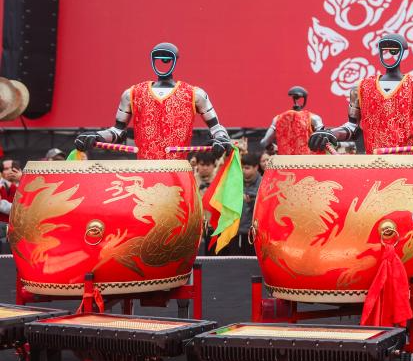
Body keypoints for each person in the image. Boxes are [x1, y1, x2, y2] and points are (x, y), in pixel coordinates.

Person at [74, 43, 232, 161]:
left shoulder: (195, 94)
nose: (163, 61)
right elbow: (118, 132)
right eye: (159, 57)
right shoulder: (132, 94)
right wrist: (97, 136)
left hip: (178, 173)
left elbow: (216, 128)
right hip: (145, 172)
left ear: (175, 60)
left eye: (167, 58)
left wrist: (221, 138)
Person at [309, 33, 413, 155]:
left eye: (394, 51)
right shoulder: (360, 87)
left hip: (409, 164)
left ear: (403, 53)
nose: (389, 55)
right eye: (384, 50)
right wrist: (330, 134)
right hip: (374, 165)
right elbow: (352, 127)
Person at [260, 86, 324, 155]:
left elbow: (264, 142)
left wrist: (274, 148)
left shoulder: (277, 119)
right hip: (308, 160)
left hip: (285, 161)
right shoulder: (313, 118)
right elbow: (323, 139)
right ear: (305, 99)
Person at [237, 152, 261, 256]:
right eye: (242, 167)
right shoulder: (236, 182)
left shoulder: (262, 184)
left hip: (253, 233)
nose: (243, 170)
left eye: (247, 168)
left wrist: (251, 202)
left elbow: (263, 210)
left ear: (256, 167)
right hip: (235, 232)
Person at [1, 158, 22, 246]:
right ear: (1, 172)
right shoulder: (1, 185)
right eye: (6, 169)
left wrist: (22, 180)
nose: (10, 171)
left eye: (13, 168)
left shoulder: (26, 184)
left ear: (20, 170)